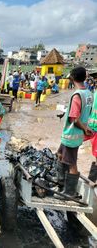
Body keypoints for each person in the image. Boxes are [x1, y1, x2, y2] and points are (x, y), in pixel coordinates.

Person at [55, 67, 93, 199]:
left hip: (72, 133)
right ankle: (60, 182)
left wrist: (83, 128)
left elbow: (74, 118)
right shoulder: (88, 93)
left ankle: (69, 192)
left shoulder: (77, 95)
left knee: (72, 163)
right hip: (72, 135)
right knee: (60, 154)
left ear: (72, 78)